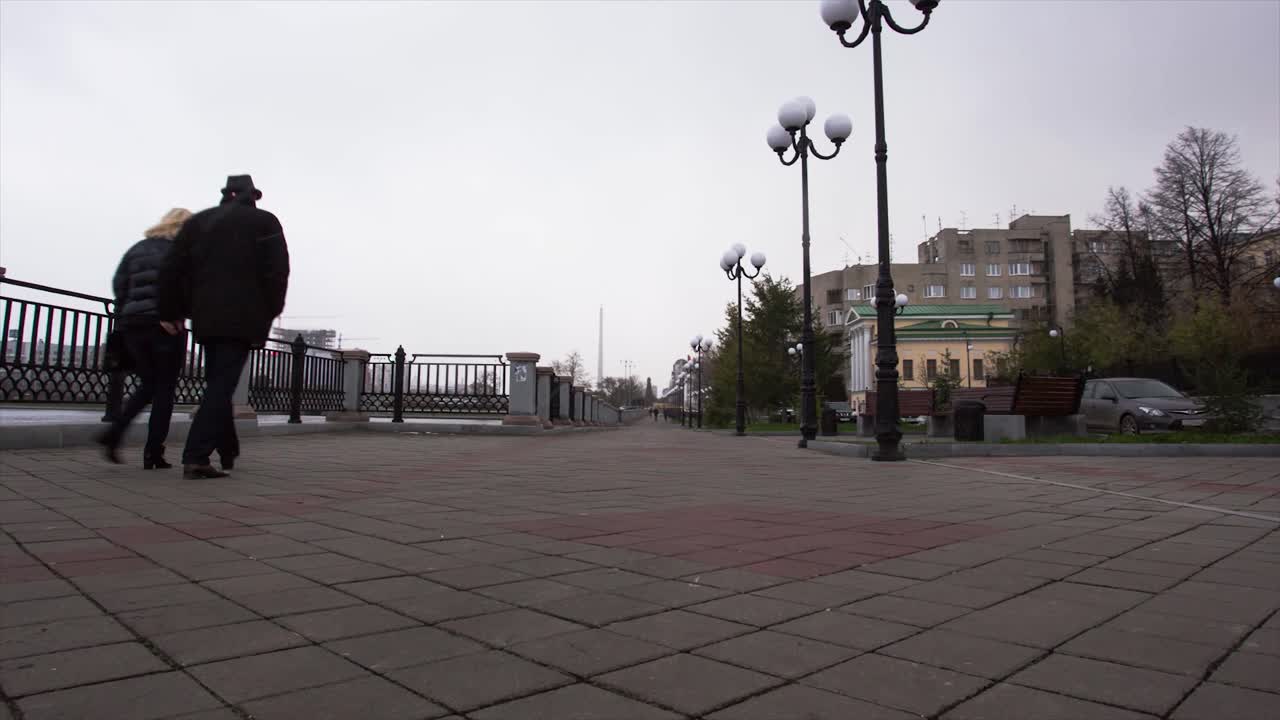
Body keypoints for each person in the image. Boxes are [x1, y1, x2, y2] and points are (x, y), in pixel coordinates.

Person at [158, 175, 289, 479]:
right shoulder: (264, 222)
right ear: (252, 195)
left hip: (204, 315)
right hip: (244, 314)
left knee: (219, 382)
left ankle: (227, 448)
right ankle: (196, 456)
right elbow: (277, 271)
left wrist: (171, 311)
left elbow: (173, 269)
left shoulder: (199, 222)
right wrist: (272, 310)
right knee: (221, 385)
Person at [96, 209, 192, 468]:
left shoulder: (137, 248)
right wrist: (173, 314)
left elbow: (119, 282)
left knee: (148, 383)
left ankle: (114, 433)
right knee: (164, 390)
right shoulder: (179, 251)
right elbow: (181, 287)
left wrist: (126, 311)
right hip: (165, 326)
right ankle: (153, 453)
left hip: (132, 324)